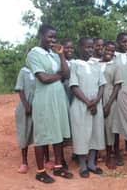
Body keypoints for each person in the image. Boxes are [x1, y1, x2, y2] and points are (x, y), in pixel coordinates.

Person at [26, 24, 73, 183]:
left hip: (59, 98)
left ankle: (58, 167)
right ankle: (40, 171)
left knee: (58, 133)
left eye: (54, 37)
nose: (52, 40)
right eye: (49, 36)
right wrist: (59, 75)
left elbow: (66, 74)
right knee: (42, 135)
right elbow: (43, 78)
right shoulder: (34, 54)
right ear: (41, 35)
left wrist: (61, 56)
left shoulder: (54, 54)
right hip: (44, 99)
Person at [69, 37, 106, 178]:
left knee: (95, 134)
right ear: (80, 47)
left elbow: (102, 84)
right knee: (81, 135)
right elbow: (74, 86)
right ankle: (82, 165)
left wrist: (96, 101)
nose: (90, 49)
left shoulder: (95, 65)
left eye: (92, 47)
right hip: (80, 105)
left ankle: (91, 163)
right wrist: (88, 102)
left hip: (96, 106)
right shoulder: (75, 64)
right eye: (87, 47)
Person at [100, 41, 123, 169]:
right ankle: (96, 153)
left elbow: (117, 86)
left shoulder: (115, 66)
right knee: (98, 127)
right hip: (96, 97)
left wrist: (108, 104)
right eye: (107, 50)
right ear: (102, 49)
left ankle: (110, 156)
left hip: (109, 98)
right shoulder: (95, 64)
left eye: (112, 51)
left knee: (110, 128)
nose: (109, 53)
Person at [114, 32, 127, 165]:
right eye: (123, 42)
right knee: (116, 124)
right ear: (118, 42)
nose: (126, 44)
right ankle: (116, 152)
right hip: (116, 92)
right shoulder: (113, 56)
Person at [14, 66, 35, 174]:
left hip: (39, 105)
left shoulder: (40, 69)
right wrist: (26, 105)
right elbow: (20, 89)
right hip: (25, 106)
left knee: (40, 133)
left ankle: (47, 160)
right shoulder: (23, 71)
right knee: (24, 132)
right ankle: (24, 162)